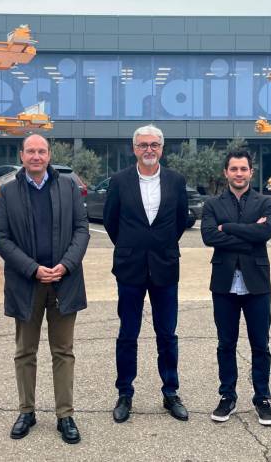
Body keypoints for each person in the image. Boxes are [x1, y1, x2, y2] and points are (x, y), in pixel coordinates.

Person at [0, 134, 90, 444]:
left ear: (49, 156)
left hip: (65, 281)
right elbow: (1, 238)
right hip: (26, 284)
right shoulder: (7, 192)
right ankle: (27, 410)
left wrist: (67, 264)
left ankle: (65, 415)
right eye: (31, 151)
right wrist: (33, 269)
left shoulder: (68, 186)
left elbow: (82, 229)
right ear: (21, 155)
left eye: (42, 151)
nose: (36, 156)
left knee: (63, 351)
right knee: (25, 351)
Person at [103, 124, 190, 423]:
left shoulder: (176, 181)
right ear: (134, 149)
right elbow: (111, 221)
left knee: (167, 334)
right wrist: (132, 248)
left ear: (162, 149)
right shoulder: (119, 181)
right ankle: (125, 392)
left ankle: (170, 392)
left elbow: (181, 220)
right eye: (143, 145)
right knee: (128, 334)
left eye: (154, 145)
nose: (149, 149)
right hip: (130, 268)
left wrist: (159, 246)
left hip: (165, 267)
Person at [201, 149, 271, 425]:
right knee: (226, 343)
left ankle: (263, 399)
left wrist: (228, 229)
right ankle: (227, 396)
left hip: (257, 283)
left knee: (261, 344)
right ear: (226, 172)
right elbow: (209, 237)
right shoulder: (212, 205)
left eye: (243, 169)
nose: (238, 173)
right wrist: (248, 235)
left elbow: (265, 233)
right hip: (224, 284)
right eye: (233, 169)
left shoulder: (266, 202)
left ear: (251, 172)